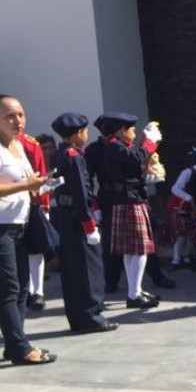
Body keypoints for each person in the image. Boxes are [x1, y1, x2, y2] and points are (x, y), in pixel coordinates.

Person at [0, 95, 55, 364]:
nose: (18, 121)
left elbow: (26, 181)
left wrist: (42, 185)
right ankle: (21, 348)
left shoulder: (19, 146)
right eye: (10, 115)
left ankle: (14, 344)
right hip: (1, 227)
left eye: (20, 114)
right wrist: (26, 186)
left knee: (22, 287)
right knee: (9, 288)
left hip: (19, 223)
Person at [49, 112, 116, 334]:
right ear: (77, 134)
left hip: (65, 215)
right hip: (78, 216)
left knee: (71, 269)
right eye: (85, 131)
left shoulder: (58, 154)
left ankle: (77, 317)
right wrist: (89, 223)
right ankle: (91, 316)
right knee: (89, 268)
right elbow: (80, 190)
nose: (87, 135)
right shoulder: (74, 156)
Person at [100, 112, 163, 309]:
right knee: (139, 249)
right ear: (121, 130)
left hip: (130, 198)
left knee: (131, 251)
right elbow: (137, 158)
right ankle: (134, 294)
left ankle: (134, 290)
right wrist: (150, 142)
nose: (134, 132)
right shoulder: (114, 146)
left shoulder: (117, 146)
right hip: (129, 201)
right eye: (132, 128)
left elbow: (133, 167)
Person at [19, 131, 50, 312]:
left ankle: (36, 292)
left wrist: (44, 206)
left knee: (35, 249)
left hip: (30, 203)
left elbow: (41, 174)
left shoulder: (30, 144)